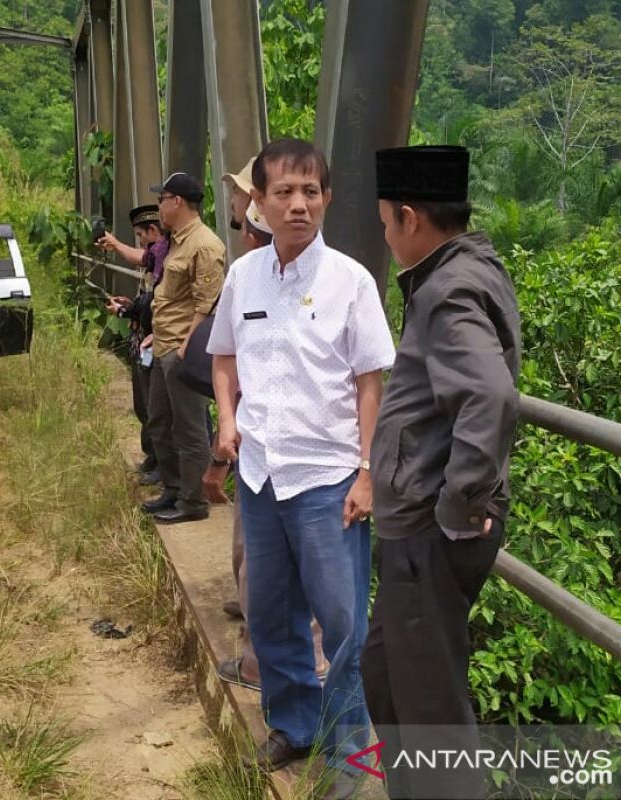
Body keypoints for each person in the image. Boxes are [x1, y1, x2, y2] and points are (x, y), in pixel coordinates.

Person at [208, 139, 395, 774]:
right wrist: (229, 422)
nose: (298, 204)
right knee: (272, 611)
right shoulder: (244, 276)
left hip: (327, 478)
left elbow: (372, 383)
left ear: (327, 198)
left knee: (343, 623)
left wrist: (367, 473)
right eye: (284, 192)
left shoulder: (351, 281)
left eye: (310, 191)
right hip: (261, 473)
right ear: (258, 201)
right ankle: (292, 724)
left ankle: (352, 750)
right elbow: (224, 356)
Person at [362, 145, 521, 799]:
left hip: (429, 534)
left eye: (384, 224)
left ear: (408, 217)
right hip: (416, 532)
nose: (387, 236)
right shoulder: (457, 274)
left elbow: (488, 396)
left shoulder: (449, 287)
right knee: (384, 676)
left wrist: (459, 506)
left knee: (432, 718)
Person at [143, 172, 226, 524]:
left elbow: (206, 306)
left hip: (181, 350)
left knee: (189, 429)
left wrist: (186, 350)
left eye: (162, 199)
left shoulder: (204, 245)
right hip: (164, 344)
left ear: (176, 201)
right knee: (160, 421)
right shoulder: (178, 240)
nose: (159, 206)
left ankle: (193, 503)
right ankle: (175, 489)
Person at [98, 204, 169, 483]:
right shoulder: (158, 255)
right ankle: (153, 457)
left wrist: (115, 244)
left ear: (153, 231)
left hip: (156, 340)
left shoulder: (163, 252)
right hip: (143, 340)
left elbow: (142, 261)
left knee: (157, 409)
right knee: (144, 406)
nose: (140, 241)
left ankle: (164, 466)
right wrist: (132, 307)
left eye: (141, 234)